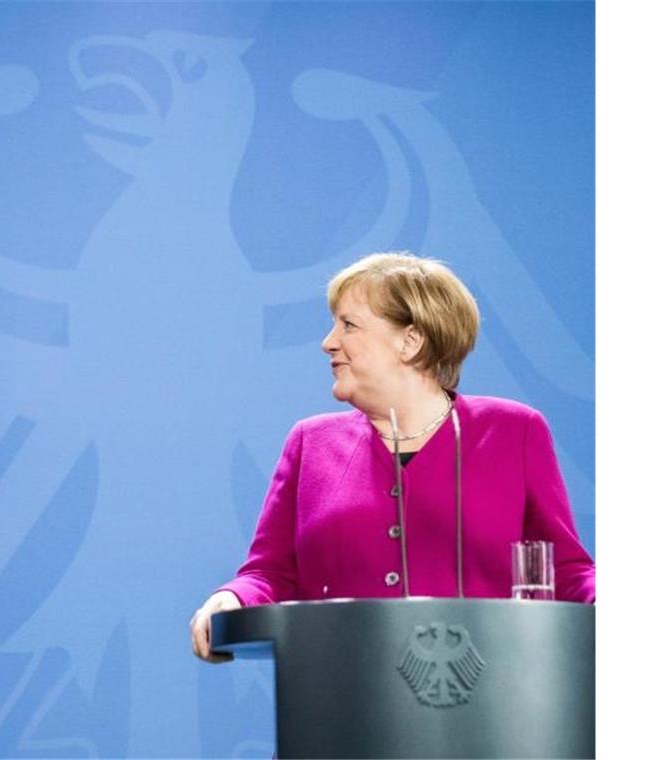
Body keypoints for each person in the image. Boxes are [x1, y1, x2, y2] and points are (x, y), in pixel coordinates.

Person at [191, 252, 595, 661]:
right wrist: (231, 598)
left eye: (348, 325)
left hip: (490, 698)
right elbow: (270, 573)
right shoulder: (309, 442)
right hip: (340, 696)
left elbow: (565, 570)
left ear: (410, 340)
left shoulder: (514, 431)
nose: (328, 342)